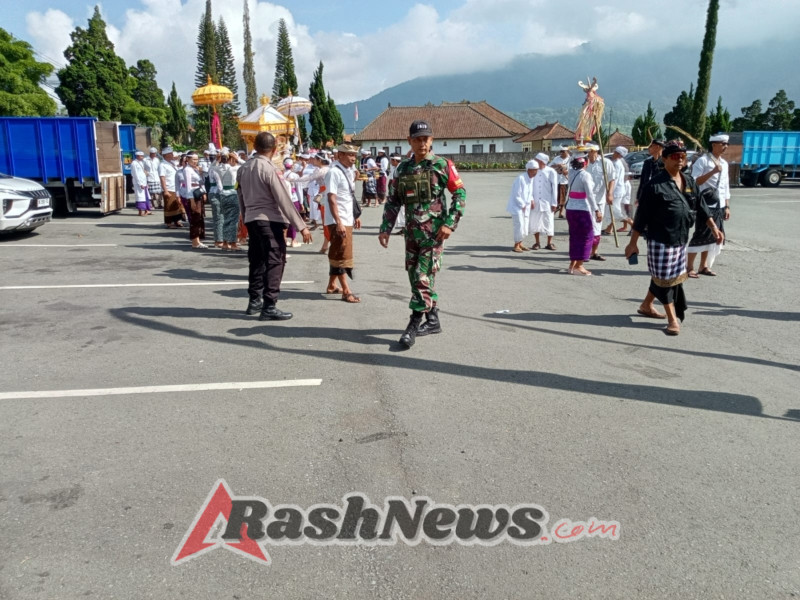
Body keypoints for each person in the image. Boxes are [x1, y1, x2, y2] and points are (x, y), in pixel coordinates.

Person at [378, 120, 466, 349]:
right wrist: (385, 228)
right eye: (417, 139)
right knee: (416, 277)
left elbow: (460, 194)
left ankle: (414, 324)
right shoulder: (403, 168)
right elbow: (394, 200)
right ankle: (433, 318)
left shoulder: (442, 165)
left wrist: (450, 223)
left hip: (434, 235)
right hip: (412, 235)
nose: (422, 143)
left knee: (421, 276)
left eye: (426, 139)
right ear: (409, 141)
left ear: (432, 140)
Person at [625, 140, 724, 336]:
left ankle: (646, 305)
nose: (679, 160)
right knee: (667, 280)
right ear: (664, 159)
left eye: (683, 157)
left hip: (680, 238)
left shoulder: (688, 181)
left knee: (669, 277)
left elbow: (702, 206)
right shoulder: (655, 185)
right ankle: (672, 319)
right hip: (660, 240)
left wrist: (714, 228)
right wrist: (633, 243)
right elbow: (641, 216)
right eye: (674, 157)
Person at [237, 132, 312, 320]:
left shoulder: (243, 168)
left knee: (256, 260)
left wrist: (245, 219)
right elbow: (283, 198)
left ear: (254, 147)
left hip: (252, 218)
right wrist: (301, 225)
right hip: (269, 218)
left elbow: (241, 197)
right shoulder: (269, 169)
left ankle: (254, 300)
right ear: (275, 149)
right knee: (275, 259)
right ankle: (269, 304)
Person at [687, 133, 731, 277]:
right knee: (700, 234)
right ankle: (689, 266)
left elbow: (725, 186)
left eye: (726, 144)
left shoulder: (724, 163)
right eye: (722, 144)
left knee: (712, 237)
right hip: (704, 203)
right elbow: (695, 182)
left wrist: (727, 206)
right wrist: (712, 172)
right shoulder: (703, 161)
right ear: (714, 145)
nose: (725, 147)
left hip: (718, 204)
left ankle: (703, 266)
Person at [323, 144, 362, 303]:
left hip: (347, 217)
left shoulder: (347, 171)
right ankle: (346, 290)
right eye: (349, 155)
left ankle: (332, 285)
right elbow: (332, 198)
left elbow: (348, 196)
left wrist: (355, 215)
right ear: (340, 155)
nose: (353, 158)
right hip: (337, 219)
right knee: (341, 254)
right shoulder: (333, 172)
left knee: (340, 251)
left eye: (354, 155)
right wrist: (338, 222)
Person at [565, 155, 601, 275]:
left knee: (574, 236)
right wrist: (596, 210)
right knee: (587, 236)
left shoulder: (571, 173)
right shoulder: (585, 175)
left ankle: (572, 264)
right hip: (581, 209)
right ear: (585, 164)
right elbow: (590, 195)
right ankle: (579, 265)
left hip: (570, 208)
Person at [585, 143, 614, 261]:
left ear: (595, 152)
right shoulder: (584, 163)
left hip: (599, 200)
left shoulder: (606, 163)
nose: (589, 154)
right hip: (585, 200)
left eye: (591, 152)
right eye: (587, 152)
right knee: (586, 227)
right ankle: (584, 252)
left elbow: (612, 179)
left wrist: (610, 193)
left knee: (597, 227)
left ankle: (594, 252)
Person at [212, 150, 241, 251]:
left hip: (223, 194)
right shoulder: (234, 169)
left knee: (225, 219)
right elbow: (247, 165)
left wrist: (217, 159)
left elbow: (211, 168)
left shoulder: (216, 168)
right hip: (232, 194)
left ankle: (225, 242)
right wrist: (237, 159)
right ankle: (233, 243)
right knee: (233, 220)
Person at [506, 160, 537, 252]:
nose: (536, 172)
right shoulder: (521, 179)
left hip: (525, 206)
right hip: (517, 206)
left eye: (536, 170)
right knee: (519, 225)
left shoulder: (531, 179)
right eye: (534, 170)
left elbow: (529, 192)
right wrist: (522, 204)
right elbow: (516, 195)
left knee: (524, 225)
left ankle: (520, 243)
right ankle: (516, 244)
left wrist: (531, 200)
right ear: (529, 170)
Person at [530, 152, 558, 250]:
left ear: (542, 162)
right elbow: (530, 186)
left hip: (547, 201)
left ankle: (549, 243)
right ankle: (537, 242)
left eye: (537, 160)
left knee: (549, 221)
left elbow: (554, 188)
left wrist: (554, 202)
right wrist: (531, 199)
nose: (535, 162)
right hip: (536, 201)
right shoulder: (533, 171)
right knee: (535, 221)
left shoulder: (551, 171)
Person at [603, 146, 633, 234]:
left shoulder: (617, 164)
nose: (614, 153)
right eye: (615, 152)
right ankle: (609, 229)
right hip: (616, 190)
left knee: (616, 212)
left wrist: (610, 192)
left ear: (620, 155)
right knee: (611, 210)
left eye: (617, 153)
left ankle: (633, 225)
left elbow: (613, 179)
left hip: (616, 191)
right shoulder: (614, 162)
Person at [180, 152, 207, 248]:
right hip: (192, 194)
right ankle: (195, 241)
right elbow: (188, 186)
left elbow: (200, 181)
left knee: (199, 217)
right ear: (187, 159)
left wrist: (204, 192)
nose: (195, 161)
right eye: (193, 159)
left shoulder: (194, 169)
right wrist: (191, 200)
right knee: (195, 218)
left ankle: (197, 240)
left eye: (196, 159)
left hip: (198, 192)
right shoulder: (187, 170)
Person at [159, 147, 185, 229]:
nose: (172, 155)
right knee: (169, 206)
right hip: (169, 188)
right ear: (166, 155)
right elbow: (162, 178)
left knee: (177, 205)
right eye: (170, 154)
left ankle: (177, 220)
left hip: (176, 187)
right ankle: (169, 222)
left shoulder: (172, 163)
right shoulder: (162, 165)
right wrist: (165, 190)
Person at [549, 146, 570, 218]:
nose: (561, 153)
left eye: (563, 151)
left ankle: (561, 212)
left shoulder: (570, 159)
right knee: (556, 196)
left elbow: (573, 169)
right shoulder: (556, 158)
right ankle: (554, 210)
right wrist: (557, 166)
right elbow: (549, 166)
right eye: (560, 151)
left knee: (563, 197)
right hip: (556, 180)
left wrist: (566, 171)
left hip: (564, 181)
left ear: (567, 151)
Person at [130, 151, 151, 216]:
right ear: (137, 156)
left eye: (143, 156)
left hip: (143, 182)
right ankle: (140, 211)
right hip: (138, 183)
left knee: (145, 197)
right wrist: (140, 184)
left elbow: (144, 173)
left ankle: (146, 210)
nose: (142, 157)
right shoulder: (134, 163)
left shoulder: (141, 162)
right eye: (141, 156)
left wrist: (146, 183)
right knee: (140, 197)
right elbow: (135, 174)